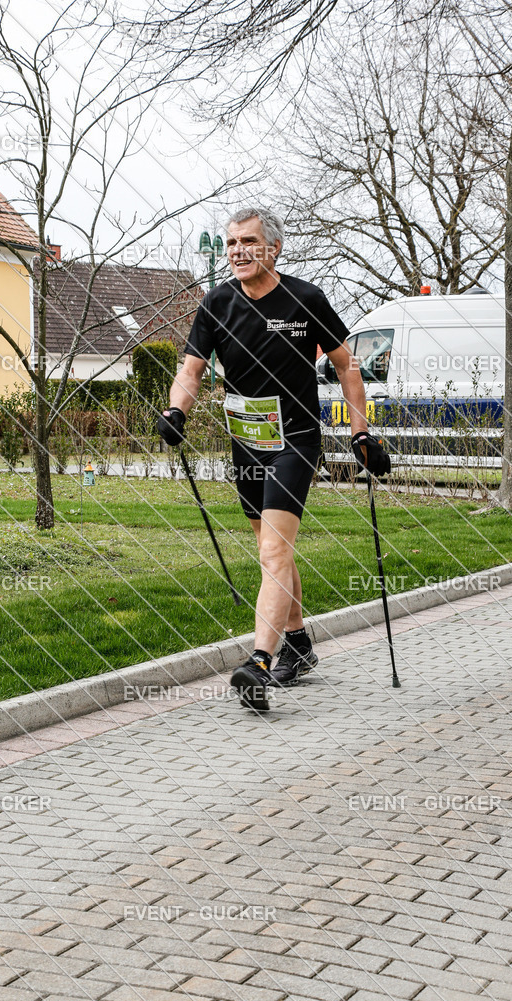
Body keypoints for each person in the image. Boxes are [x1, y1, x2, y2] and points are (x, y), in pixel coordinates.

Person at [158, 208, 390, 711]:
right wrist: (176, 409)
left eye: (248, 242)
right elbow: (192, 370)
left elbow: (347, 367)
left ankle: (259, 661)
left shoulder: (304, 299)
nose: (237, 251)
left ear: (274, 248)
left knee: (274, 551)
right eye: (231, 242)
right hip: (246, 439)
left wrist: (361, 432)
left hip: (297, 438)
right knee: (270, 547)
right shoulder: (217, 302)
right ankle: (301, 646)